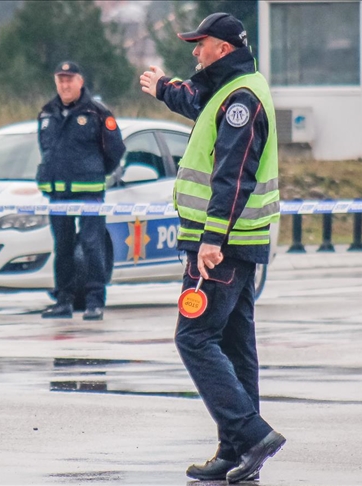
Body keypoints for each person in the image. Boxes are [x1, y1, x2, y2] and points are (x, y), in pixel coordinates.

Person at [139, 13, 285, 483]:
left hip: (222, 243)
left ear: (221, 47)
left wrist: (211, 240)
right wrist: (164, 88)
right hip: (237, 242)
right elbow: (197, 97)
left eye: (199, 43)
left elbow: (232, 176)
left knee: (193, 337)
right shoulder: (233, 84)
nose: (194, 51)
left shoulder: (242, 98)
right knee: (236, 345)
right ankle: (236, 451)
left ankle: (250, 433)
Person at [36, 61, 126, 321]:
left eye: (70, 79)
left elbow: (115, 150)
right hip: (58, 194)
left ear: (80, 81)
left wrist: (96, 172)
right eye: (60, 79)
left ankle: (95, 301)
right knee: (62, 247)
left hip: (89, 192)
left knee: (91, 246)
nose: (65, 84)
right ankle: (63, 301)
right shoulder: (47, 113)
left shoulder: (97, 112)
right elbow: (46, 150)